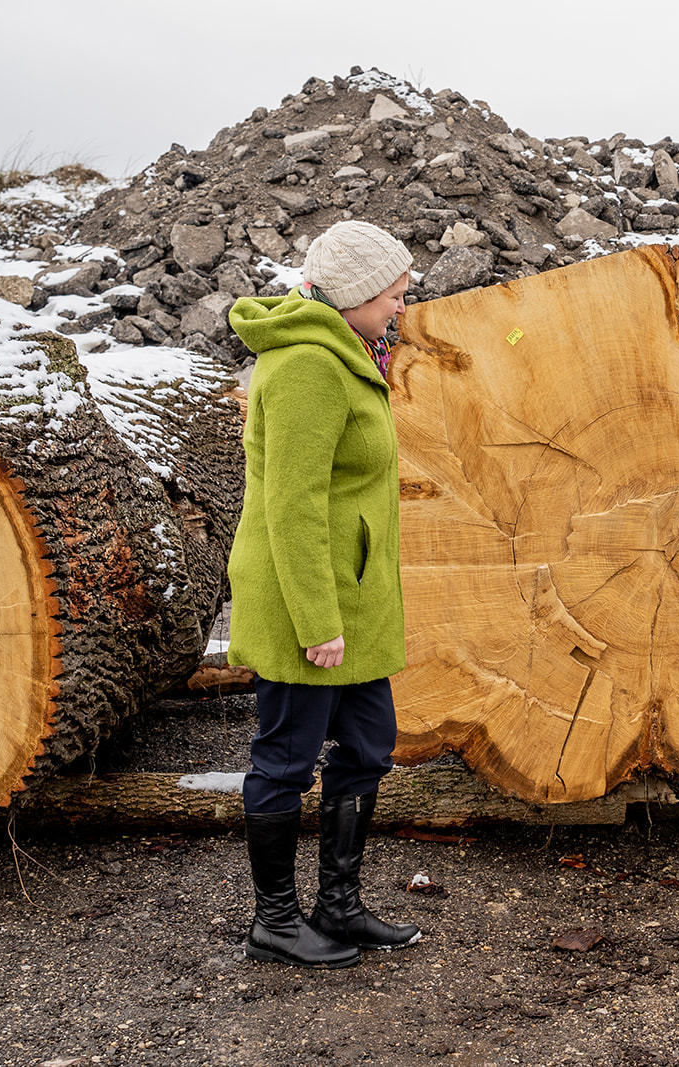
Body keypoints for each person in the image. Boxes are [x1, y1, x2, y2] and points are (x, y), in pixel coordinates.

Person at [226, 220, 421, 966]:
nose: (401, 306)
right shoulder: (307, 364)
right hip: (306, 602)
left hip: (354, 597)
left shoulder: (347, 349)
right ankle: (275, 921)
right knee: (287, 757)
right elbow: (293, 505)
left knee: (368, 745)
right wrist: (316, 620)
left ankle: (338, 906)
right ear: (354, 295)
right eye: (393, 294)